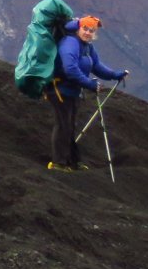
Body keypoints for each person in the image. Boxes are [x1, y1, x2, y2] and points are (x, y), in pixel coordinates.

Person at [42, 14, 129, 172]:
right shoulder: (70, 43)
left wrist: (115, 74)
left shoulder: (87, 46)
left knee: (69, 126)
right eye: (85, 28)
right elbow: (70, 69)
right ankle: (58, 163)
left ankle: (72, 161)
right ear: (78, 28)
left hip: (72, 91)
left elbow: (96, 66)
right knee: (64, 126)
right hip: (59, 89)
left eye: (92, 30)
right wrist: (89, 83)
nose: (88, 32)